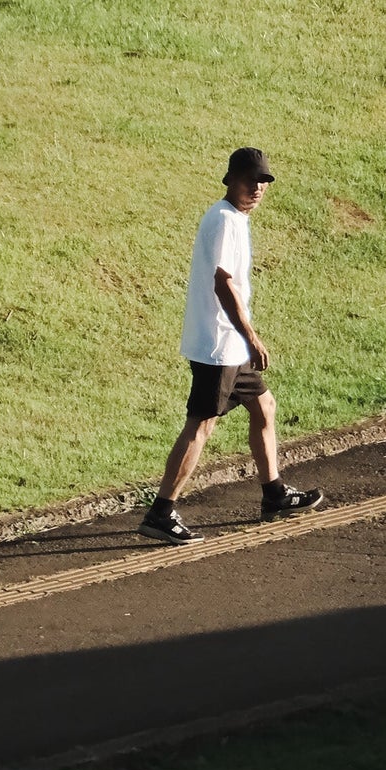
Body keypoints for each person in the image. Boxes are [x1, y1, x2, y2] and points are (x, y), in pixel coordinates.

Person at [140, 147, 324, 546]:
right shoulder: (223, 220)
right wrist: (250, 336)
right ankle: (161, 511)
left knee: (264, 405)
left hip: (229, 346)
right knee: (202, 424)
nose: (258, 188)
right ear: (230, 180)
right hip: (218, 346)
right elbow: (223, 285)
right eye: (250, 180)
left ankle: (273, 492)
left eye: (263, 181)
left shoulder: (236, 219)